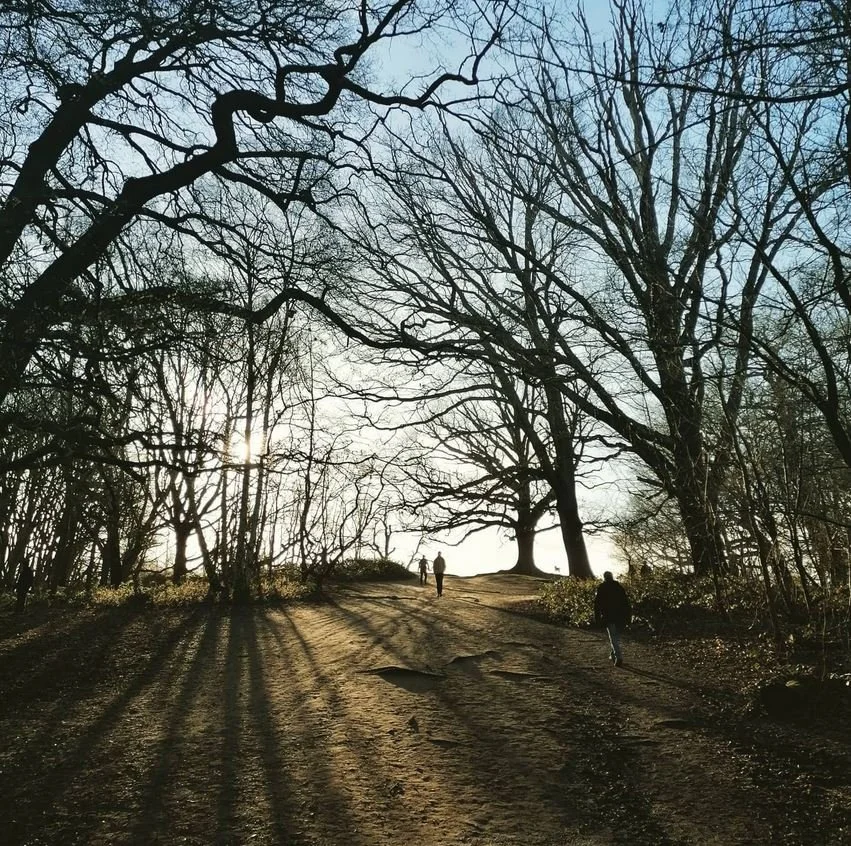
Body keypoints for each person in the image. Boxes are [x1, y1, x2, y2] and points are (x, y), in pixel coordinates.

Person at [594, 570, 631, 667]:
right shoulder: (619, 587)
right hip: (620, 617)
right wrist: (628, 617)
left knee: (613, 637)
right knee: (616, 637)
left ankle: (618, 657)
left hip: (608, 616)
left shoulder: (602, 587)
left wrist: (597, 618)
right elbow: (626, 603)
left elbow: (597, 604)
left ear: (604, 578)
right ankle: (613, 654)